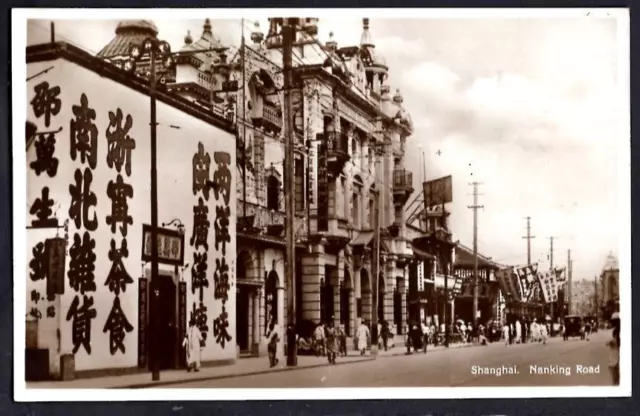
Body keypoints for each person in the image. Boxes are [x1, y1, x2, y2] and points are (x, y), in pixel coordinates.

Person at [607, 312, 620, 385]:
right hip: (614, 360)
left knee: (616, 382)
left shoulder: (617, 331)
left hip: (615, 361)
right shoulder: (614, 331)